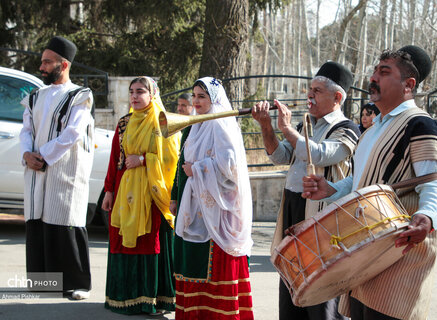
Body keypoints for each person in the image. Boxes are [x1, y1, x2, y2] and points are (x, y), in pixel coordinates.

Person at [302, 46, 437, 320]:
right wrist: (332, 189)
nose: (373, 77)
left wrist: (427, 216)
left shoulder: (422, 126)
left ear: (409, 85)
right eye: (375, 70)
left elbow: (434, 185)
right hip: (365, 254)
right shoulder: (372, 131)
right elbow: (361, 180)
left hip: (400, 256)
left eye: (384, 72)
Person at [251, 61, 361, 320]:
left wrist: (288, 129)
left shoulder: (347, 129)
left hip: (322, 218)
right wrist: (267, 125)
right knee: (291, 284)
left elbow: (321, 155)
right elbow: (280, 156)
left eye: (317, 90)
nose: (309, 95)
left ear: (337, 97)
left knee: (321, 290)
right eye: (310, 89)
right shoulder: (305, 126)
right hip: (293, 208)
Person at [171, 77, 254, 319]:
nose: (196, 101)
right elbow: (181, 162)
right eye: (194, 95)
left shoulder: (220, 124)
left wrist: (197, 168)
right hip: (194, 204)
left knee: (214, 269)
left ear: (213, 99)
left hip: (217, 211)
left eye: (202, 96)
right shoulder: (196, 124)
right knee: (191, 264)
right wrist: (176, 195)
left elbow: (230, 167)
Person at [20, 36, 94, 300]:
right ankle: (44, 283)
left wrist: (43, 156)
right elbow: (26, 130)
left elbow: (74, 132)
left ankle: (78, 284)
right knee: (38, 221)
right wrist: (27, 154)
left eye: (47, 62)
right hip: (36, 171)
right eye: (41, 61)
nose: (41, 66)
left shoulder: (80, 95)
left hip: (64, 171)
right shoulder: (34, 96)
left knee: (65, 221)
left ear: (63, 65)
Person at [102, 77, 180, 315]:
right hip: (125, 195)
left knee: (149, 240)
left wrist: (144, 160)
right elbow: (115, 158)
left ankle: (153, 300)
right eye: (131, 92)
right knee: (122, 239)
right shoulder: (124, 122)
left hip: (153, 195)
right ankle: (123, 298)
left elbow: (172, 158)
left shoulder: (163, 122)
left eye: (140, 92)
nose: (134, 97)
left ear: (153, 94)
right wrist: (108, 191)